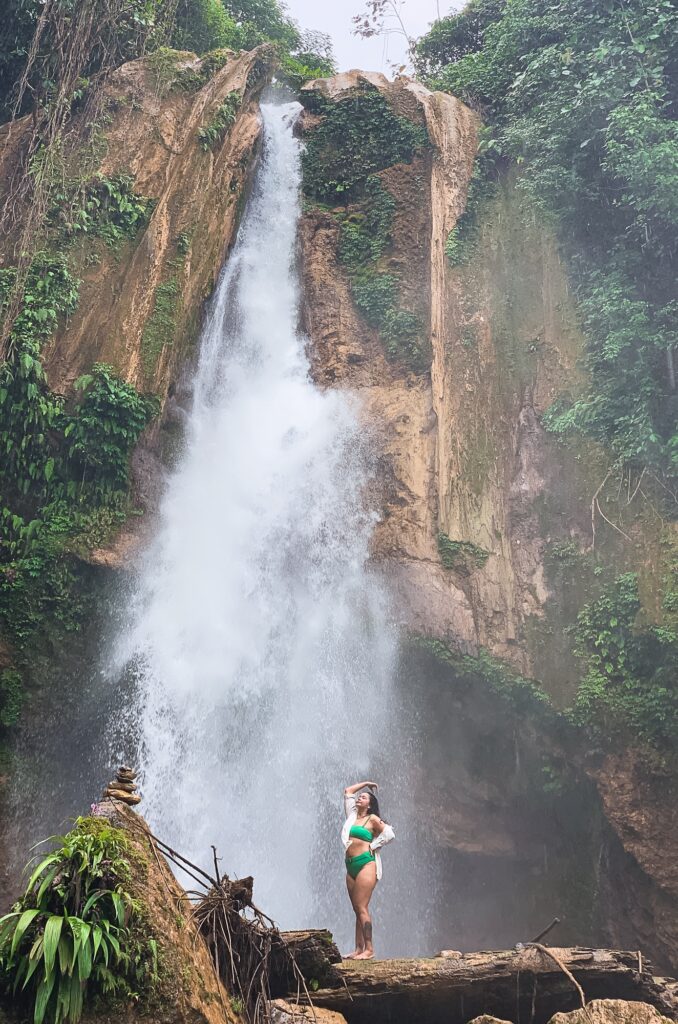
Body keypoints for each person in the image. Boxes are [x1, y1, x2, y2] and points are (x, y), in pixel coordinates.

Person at [341, 779, 395, 960]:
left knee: (362, 907)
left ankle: (369, 949)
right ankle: (358, 948)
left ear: (370, 804)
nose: (359, 797)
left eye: (363, 797)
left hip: (366, 864)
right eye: (360, 796)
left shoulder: (372, 819)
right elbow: (348, 791)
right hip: (350, 866)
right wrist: (366, 783)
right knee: (357, 909)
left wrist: (374, 845)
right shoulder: (352, 816)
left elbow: (389, 833)